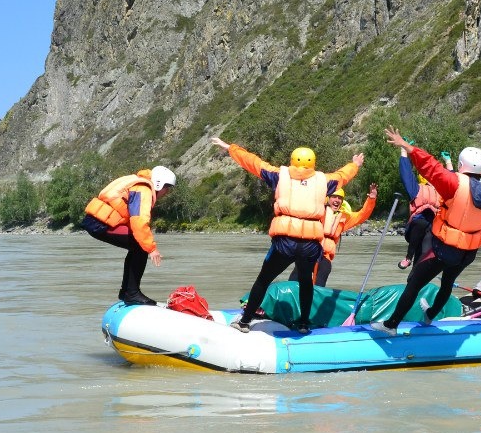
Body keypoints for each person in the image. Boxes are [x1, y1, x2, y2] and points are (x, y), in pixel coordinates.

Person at [371, 121, 481, 335]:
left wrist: (407, 148)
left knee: (414, 283)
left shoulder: (453, 182)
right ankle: (430, 315)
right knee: (447, 282)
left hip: (444, 249)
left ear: (462, 164)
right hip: (468, 253)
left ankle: (391, 325)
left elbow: (430, 166)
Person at [211, 137, 363, 333]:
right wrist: (355, 164)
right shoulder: (324, 180)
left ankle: (244, 321)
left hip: (284, 241)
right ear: (313, 163)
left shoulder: (279, 175)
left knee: (263, 279)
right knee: (306, 283)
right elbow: (344, 175)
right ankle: (303, 324)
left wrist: (230, 148)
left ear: (292, 161)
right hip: (309, 244)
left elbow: (253, 162)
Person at [82, 165, 175, 305]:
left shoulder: (137, 182)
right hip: (100, 223)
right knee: (141, 247)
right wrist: (151, 249)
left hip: (97, 221)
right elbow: (139, 222)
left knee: (136, 246)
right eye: (166, 188)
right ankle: (131, 294)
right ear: (158, 184)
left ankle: (127, 291)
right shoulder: (144, 190)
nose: (167, 192)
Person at [397, 149, 449, 269]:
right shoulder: (416, 189)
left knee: (423, 255)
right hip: (417, 225)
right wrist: (404, 152)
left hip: (433, 228)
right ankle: (409, 257)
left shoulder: (441, 191)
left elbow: (452, 180)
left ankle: (414, 278)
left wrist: (448, 161)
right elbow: (406, 174)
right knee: (421, 223)